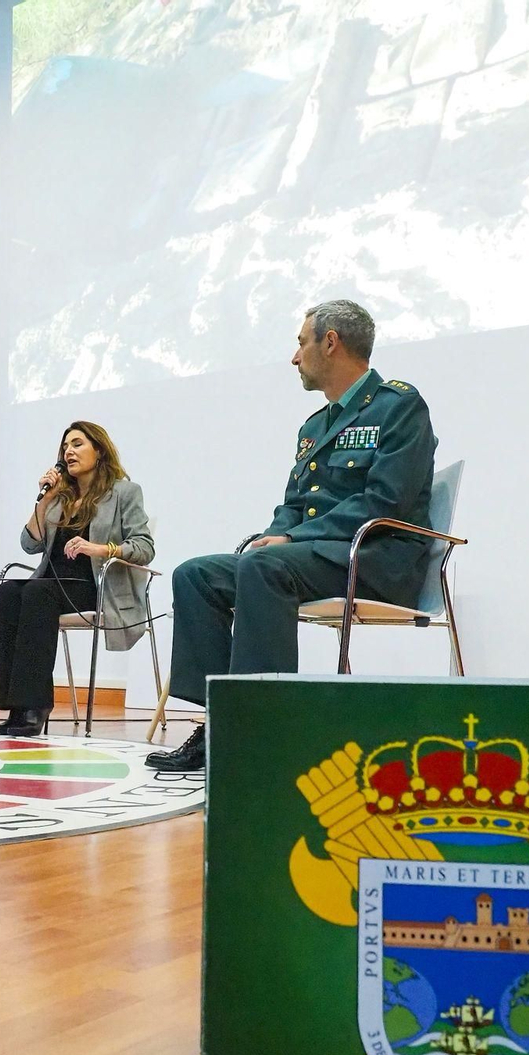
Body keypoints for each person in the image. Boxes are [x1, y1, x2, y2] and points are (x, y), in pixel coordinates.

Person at [146, 299, 437, 771]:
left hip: (375, 560)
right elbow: (294, 504)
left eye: (301, 342)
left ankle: (264, 729)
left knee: (264, 565)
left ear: (330, 342)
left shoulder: (399, 406)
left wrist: (293, 538)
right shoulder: (314, 426)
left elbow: (386, 501)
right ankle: (222, 721)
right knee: (196, 575)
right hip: (317, 558)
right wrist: (277, 533)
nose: (294, 356)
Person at [0, 421, 155, 735]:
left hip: (94, 589)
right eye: (66, 446)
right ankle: (16, 708)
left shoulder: (124, 492)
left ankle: (35, 707)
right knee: (8, 593)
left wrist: (100, 548)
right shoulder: (61, 496)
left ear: (99, 450)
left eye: (78, 444)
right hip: (50, 585)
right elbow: (30, 545)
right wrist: (45, 500)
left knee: (37, 595)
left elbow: (144, 547)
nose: (69, 451)